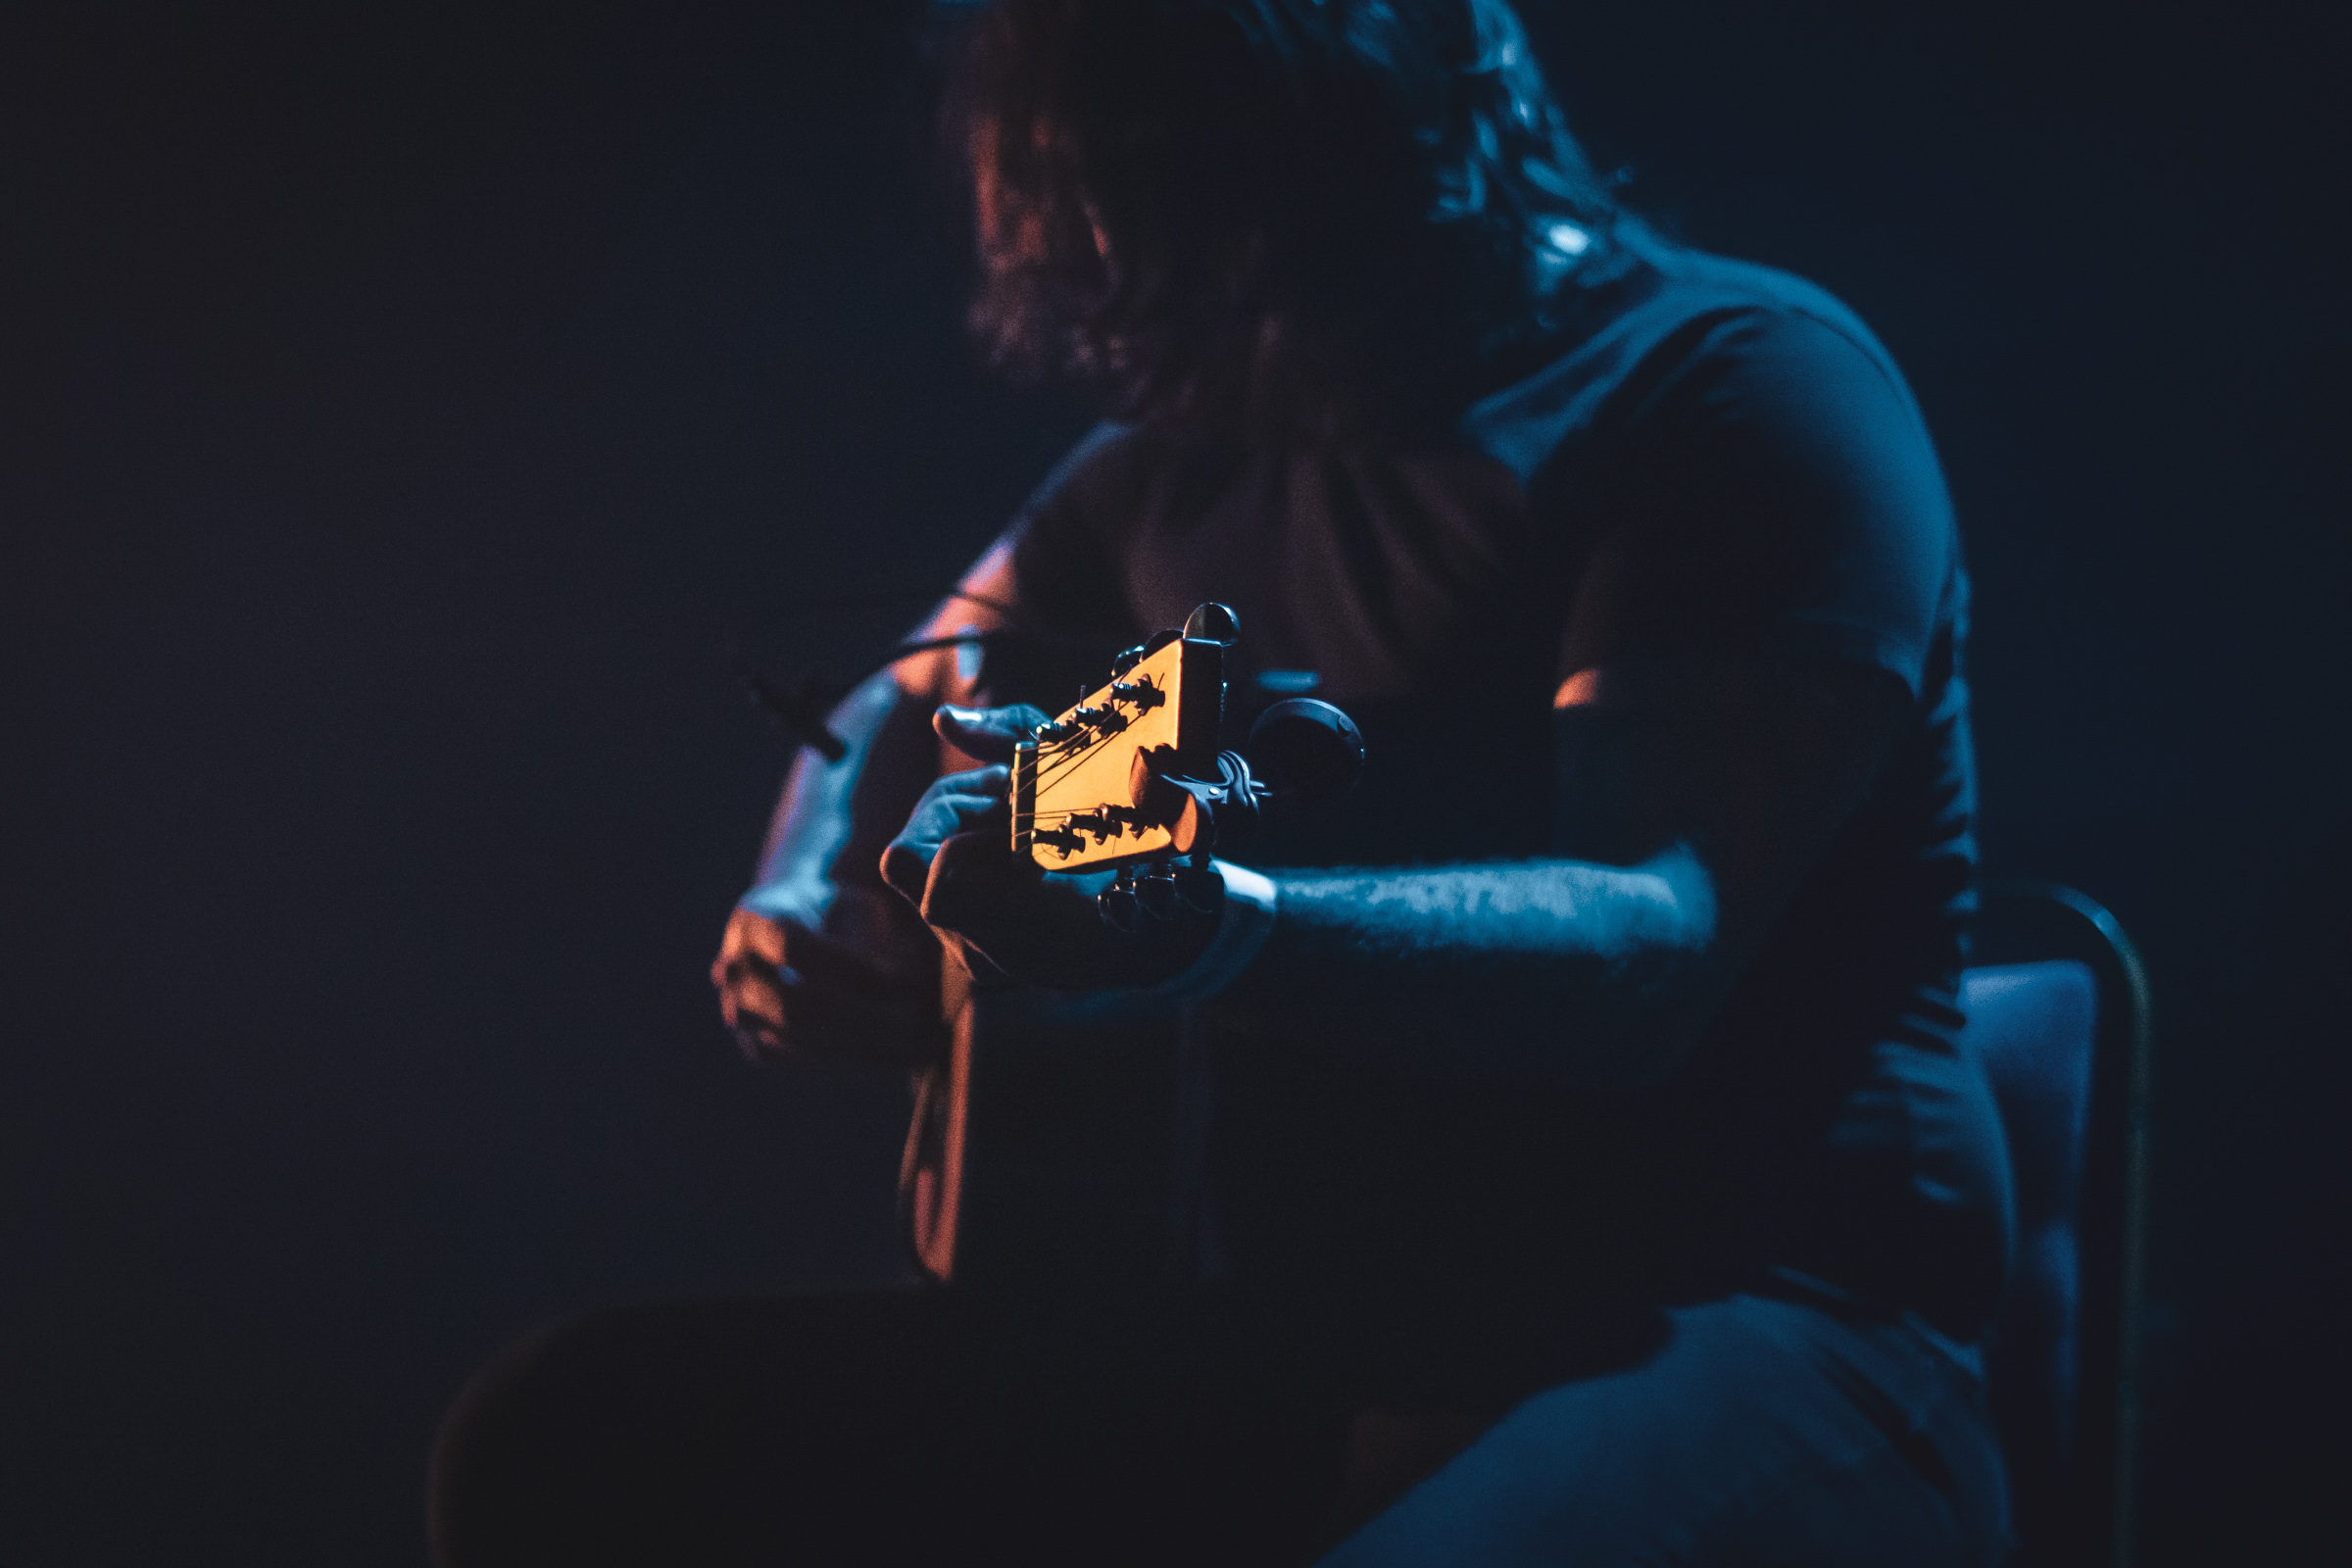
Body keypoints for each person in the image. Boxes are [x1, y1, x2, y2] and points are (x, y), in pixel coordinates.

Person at [431, 3, 2016, 1563]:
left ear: (1397, 158)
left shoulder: (1737, 395)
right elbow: (895, 692)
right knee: (566, 1450)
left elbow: (1647, 935)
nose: (1159, 330)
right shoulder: (1207, 440)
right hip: (1298, 1322)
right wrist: (805, 893)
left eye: (1213, 241)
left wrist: (1211, 932)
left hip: (1754, 1313)